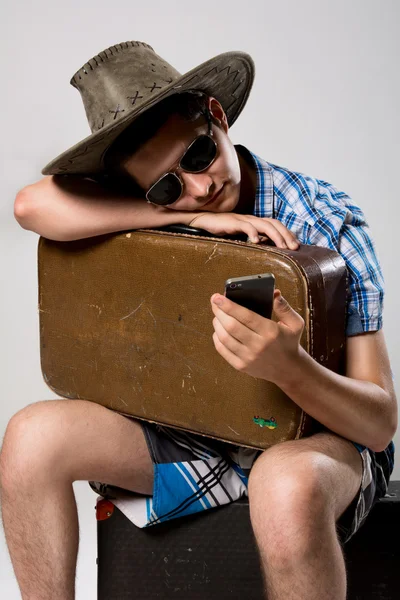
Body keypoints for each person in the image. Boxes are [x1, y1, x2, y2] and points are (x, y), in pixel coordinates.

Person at [1, 40, 397, 600]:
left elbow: (378, 424)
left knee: (282, 487)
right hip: (191, 441)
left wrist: (290, 368)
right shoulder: (161, 209)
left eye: (198, 156)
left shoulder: (324, 219)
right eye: (167, 185)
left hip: (313, 443)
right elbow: (30, 207)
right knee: (29, 437)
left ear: (217, 114)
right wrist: (191, 222)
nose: (201, 189)